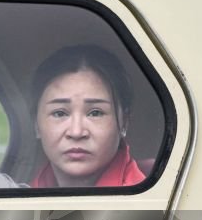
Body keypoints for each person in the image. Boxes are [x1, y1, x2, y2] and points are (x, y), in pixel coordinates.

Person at [28, 44, 146, 188]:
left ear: (124, 122)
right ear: (36, 124)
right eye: (59, 113)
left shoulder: (144, 198)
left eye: (95, 113)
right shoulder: (24, 192)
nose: (76, 132)